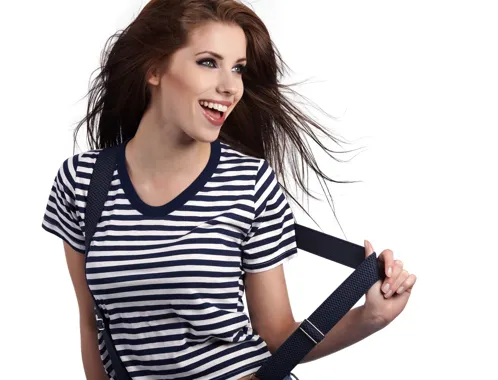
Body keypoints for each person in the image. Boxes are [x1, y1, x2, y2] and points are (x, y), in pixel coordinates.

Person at [41, 0, 417, 379]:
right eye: (209, 62)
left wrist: (371, 317)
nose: (230, 86)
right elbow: (92, 326)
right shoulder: (83, 182)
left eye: (238, 69)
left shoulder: (251, 183)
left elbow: (278, 334)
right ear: (154, 69)